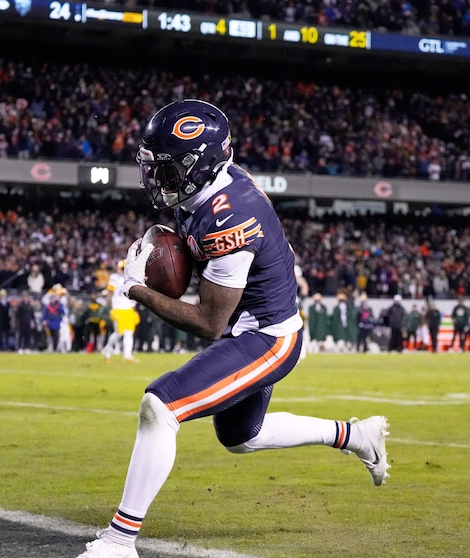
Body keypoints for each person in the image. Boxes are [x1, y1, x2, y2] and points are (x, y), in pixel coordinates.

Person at [75, 99, 389, 558]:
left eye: (168, 169)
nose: (158, 179)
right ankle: (356, 436)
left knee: (160, 406)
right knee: (242, 436)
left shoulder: (231, 216)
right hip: (249, 324)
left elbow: (209, 322)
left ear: (200, 165)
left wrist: (136, 289)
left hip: (266, 338)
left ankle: (119, 542)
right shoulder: (211, 187)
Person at [102, 260, 141, 363]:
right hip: (118, 308)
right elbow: (110, 293)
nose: (124, 271)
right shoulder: (114, 278)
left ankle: (127, 356)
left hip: (129, 309)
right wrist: (109, 306)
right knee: (118, 333)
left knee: (129, 333)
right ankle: (108, 349)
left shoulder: (133, 279)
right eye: (122, 268)